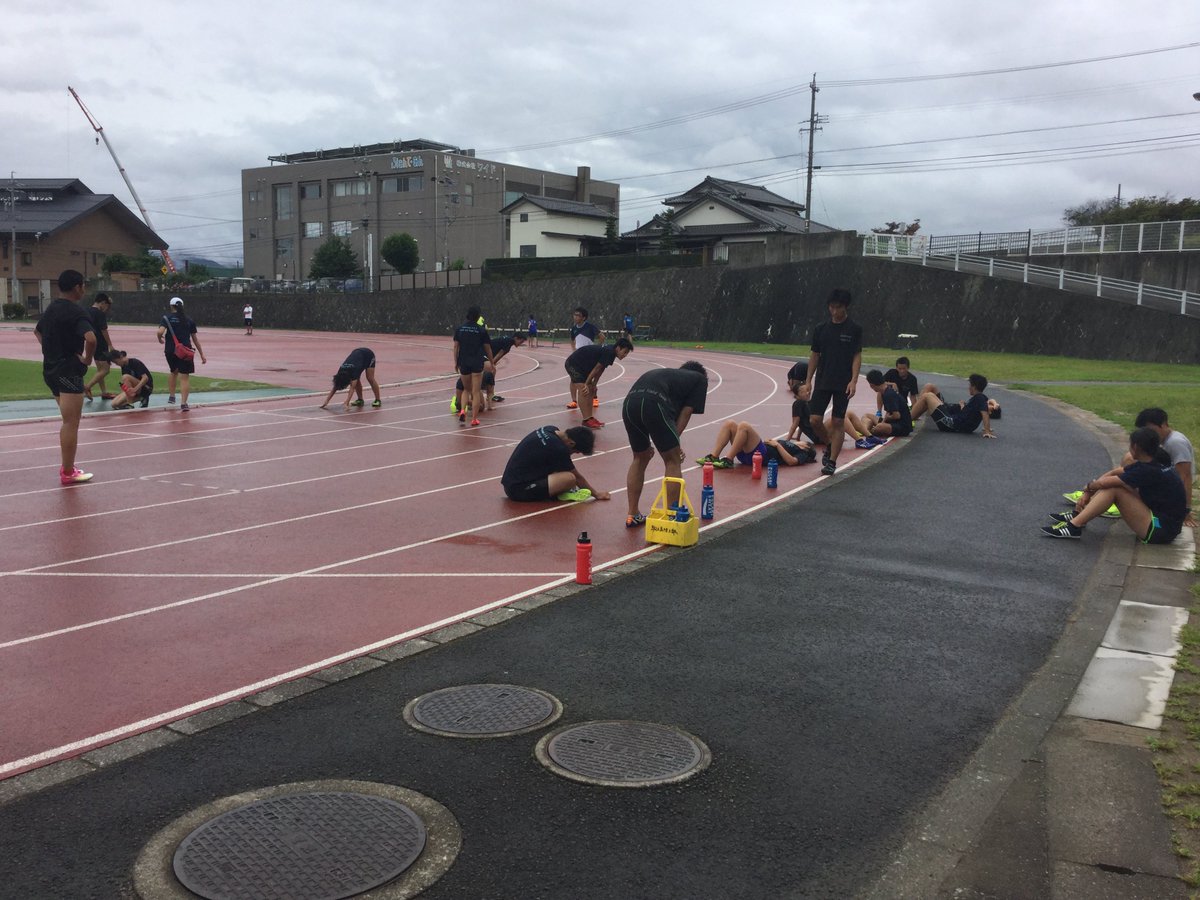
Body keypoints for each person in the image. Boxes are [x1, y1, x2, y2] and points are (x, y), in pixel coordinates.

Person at [1043, 426, 1187, 543]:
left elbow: (1106, 482)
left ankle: (1074, 526)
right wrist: (1088, 492)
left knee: (1113, 489)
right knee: (1116, 485)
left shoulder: (1148, 469)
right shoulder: (1155, 460)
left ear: (1135, 447)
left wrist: (1087, 489)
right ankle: (1078, 515)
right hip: (1164, 523)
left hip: (1160, 529)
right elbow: (1115, 473)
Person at [621, 360, 708, 528]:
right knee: (672, 460)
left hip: (629, 403)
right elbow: (686, 412)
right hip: (654, 402)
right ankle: (671, 515)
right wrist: (674, 442)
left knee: (640, 457)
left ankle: (633, 514)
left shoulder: (670, 377)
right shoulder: (699, 379)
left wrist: (670, 440)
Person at [34, 269, 96, 485]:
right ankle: (68, 471)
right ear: (78, 287)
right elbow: (91, 338)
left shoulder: (51, 309)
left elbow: (38, 331)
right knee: (71, 423)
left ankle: (68, 467)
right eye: (83, 286)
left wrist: (50, 351)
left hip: (50, 371)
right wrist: (87, 360)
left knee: (67, 420)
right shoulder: (77, 312)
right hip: (69, 371)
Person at [804, 288, 863, 476]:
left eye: (838, 307)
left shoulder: (854, 329)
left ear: (846, 307)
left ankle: (831, 462)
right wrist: (808, 381)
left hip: (843, 382)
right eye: (831, 307)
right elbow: (814, 355)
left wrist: (853, 381)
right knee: (814, 420)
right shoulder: (821, 329)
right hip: (823, 380)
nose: (834, 311)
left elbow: (856, 356)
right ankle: (829, 443)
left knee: (838, 421)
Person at [501, 424, 611, 503]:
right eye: (575, 451)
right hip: (517, 491)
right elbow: (577, 477)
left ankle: (559, 491)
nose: (572, 454)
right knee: (569, 478)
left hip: (511, 482)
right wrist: (596, 494)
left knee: (559, 467)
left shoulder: (550, 429)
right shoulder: (558, 448)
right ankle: (559, 493)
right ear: (571, 443)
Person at [1132, 408, 1195, 527]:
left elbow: (1185, 477)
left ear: (1163, 424)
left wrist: (1186, 510)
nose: (1148, 434)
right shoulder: (1163, 441)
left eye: (1150, 429)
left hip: (1168, 495)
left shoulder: (1175, 442)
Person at [564, 337, 633, 428]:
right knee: (584, 390)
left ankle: (590, 418)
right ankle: (586, 420)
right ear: (618, 348)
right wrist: (586, 383)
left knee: (591, 390)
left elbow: (601, 369)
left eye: (627, 353)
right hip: (573, 364)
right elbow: (597, 368)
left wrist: (594, 384)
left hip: (583, 367)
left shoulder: (611, 352)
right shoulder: (610, 352)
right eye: (624, 352)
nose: (625, 355)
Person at [453, 333, 526, 413]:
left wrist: (492, 364)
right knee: (487, 372)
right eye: (521, 341)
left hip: (482, 353)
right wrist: (492, 363)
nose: (520, 344)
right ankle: (484, 393)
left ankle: (484, 393)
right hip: (483, 353)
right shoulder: (509, 342)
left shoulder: (508, 339)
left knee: (488, 372)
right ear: (516, 338)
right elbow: (499, 354)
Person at [156, 297, 207, 411]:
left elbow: (160, 332)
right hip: (185, 351)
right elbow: (195, 339)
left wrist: (160, 339)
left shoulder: (167, 318)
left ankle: (172, 396)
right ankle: (184, 403)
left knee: (173, 372)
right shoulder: (189, 320)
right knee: (184, 377)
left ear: (171, 306)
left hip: (170, 350)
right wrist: (202, 354)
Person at [697, 421, 816, 469]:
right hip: (752, 453)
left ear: (806, 446)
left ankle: (728, 460)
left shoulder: (803, 453)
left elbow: (792, 462)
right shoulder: (792, 445)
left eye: (802, 442)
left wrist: (777, 445)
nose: (798, 442)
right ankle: (713, 456)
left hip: (762, 457)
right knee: (730, 424)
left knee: (744, 426)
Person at [909, 374, 995, 438]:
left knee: (927, 396)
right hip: (951, 415)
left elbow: (985, 413)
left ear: (974, 387)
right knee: (930, 387)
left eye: (970, 385)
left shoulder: (980, 398)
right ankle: (912, 416)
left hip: (951, 423)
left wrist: (987, 430)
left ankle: (906, 420)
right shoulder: (979, 398)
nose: (968, 387)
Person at [845, 369, 914, 445]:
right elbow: (889, 411)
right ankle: (865, 430)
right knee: (867, 415)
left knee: (880, 427)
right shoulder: (884, 391)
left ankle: (869, 432)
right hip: (892, 422)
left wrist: (885, 419)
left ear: (872, 385)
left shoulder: (889, 394)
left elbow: (896, 415)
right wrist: (885, 419)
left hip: (902, 426)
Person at [452, 306, 493, 426]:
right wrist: (492, 362)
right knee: (475, 392)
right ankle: (474, 419)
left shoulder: (460, 329)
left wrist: (456, 362)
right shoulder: (481, 330)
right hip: (477, 362)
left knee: (466, 389)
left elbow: (455, 347)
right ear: (478, 316)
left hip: (463, 362)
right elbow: (488, 348)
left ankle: (463, 411)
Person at [82, 293, 115, 401]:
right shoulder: (99, 314)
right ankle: (87, 387)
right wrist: (110, 344)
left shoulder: (86, 311)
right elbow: (104, 330)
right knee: (106, 370)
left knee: (100, 370)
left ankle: (104, 392)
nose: (107, 309)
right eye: (107, 306)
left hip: (91, 342)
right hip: (101, 343)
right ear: (103, 303)